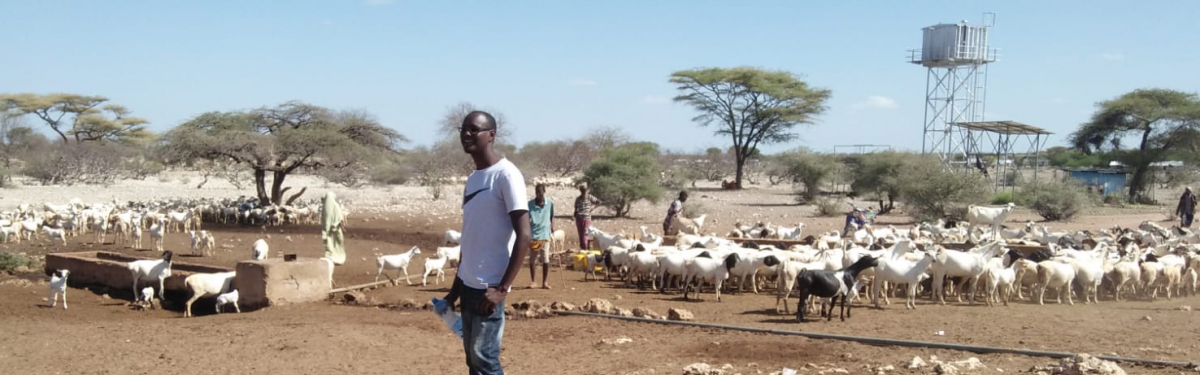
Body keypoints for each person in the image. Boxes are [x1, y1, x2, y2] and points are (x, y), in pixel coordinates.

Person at [443, 110, 531, 375]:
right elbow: (472, 240)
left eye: (474, 129)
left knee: (485, 361)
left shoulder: (506, 175)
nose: (467, 134)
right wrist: (454, 291)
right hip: (469, 286)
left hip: (488, 290)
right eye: (463, 129)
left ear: (491, 135)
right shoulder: (473, 179)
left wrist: (501, 289)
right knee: (474, 360)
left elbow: (524, 234)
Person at [526, 183, 554, 289]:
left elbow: (552, 216)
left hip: (545, 235)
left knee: (545, 259)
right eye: (537, 193)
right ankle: (533, 281)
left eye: (541, 194)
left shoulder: (550, 203)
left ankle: (545, 282)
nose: (539, 196)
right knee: (532, 260)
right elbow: (526, 218)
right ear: (535, 193)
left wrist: (552, 226)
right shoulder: (530, 205)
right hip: (534, 235)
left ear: (544, 192)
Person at [320, 191, 346, 266]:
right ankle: (332, 258)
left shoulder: (335, 206)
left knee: (337, 242)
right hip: (330, 230)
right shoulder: (326, 207)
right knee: (331, 243)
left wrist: (336, 226)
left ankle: (339, 258)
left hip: (335, 229)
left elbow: (340, 218)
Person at [573, 182, 601, 250]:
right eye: (582, 190)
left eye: (584, 190)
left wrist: (592, 208)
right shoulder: (578, 199)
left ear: (586, 190)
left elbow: (599, 202)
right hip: (579, 218)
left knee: (585, 235)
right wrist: (575, 215)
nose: (583, 192)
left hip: (587, 219)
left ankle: (586, 249)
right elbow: (576, 209)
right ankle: (583, 249)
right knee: (580, 235)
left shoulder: (589, 197)